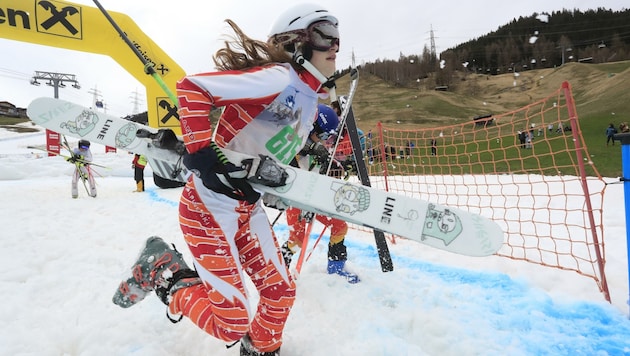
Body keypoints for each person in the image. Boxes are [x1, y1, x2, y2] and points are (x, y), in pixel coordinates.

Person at [112, 4, 340, 356]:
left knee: (280, 293)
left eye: (338, 36)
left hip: (248, 209)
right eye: (325, 34)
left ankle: (261, 349)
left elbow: (267, 143)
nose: (336, 45)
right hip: (208, 209)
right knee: (230, 321)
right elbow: (191, 88)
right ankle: (165, 271)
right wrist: (202, 152)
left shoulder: (310, 97)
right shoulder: (280, 78)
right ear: (297, 43)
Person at [279, 104, 359, 284]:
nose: (324, 141)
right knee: (297, 240)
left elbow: (321, 167)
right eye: (322, 135)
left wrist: (337, 166)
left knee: (339, 226)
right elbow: (293, 167)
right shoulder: (292, 141)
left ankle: (336, 267)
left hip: (312, 198)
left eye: (327, 137)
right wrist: (312, 148)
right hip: (295, 199)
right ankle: (279, 270)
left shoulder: (315, 147)